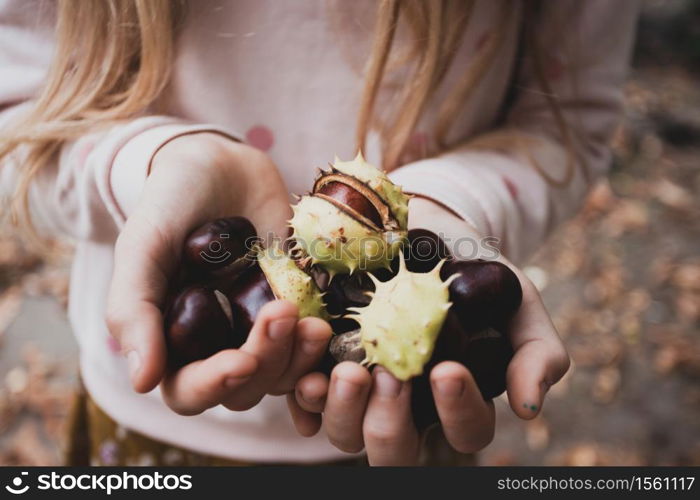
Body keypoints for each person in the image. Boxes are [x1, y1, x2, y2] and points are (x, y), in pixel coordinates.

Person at [0, 0, 639, 466]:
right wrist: (150, 161)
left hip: (408, 426)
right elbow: (16, 115)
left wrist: (449, 201)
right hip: (148, 426)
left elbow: (568, 127)